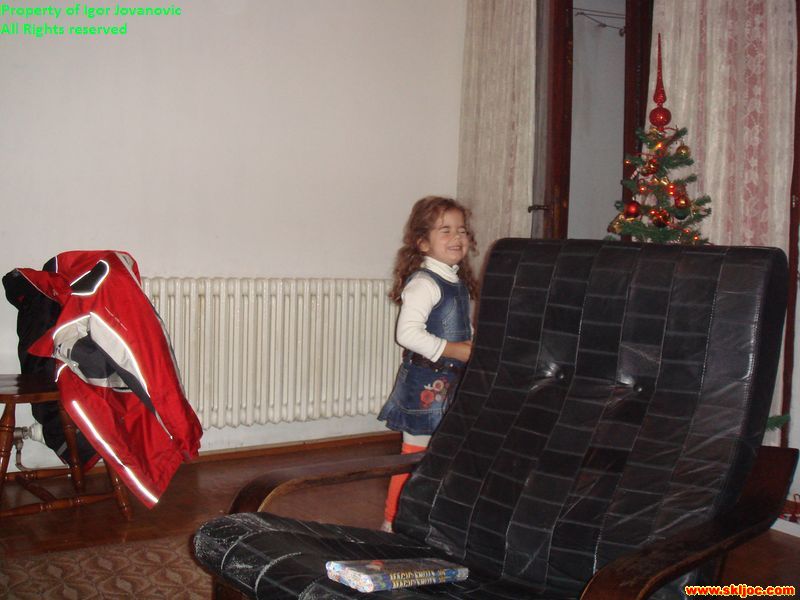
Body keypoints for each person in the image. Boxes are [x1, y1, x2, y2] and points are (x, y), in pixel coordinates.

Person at [377, 195, 479, 532]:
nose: (457, 237)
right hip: (425, 384)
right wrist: (454, 350)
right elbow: (407, 334)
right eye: (445, 230)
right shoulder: (425, 283)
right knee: (413, 457)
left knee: (445, 454)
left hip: (453, 383)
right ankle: (392, 523)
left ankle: (433, 518)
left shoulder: (456, 281)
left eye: (461, 230)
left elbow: (461, 327)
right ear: (423, 242)